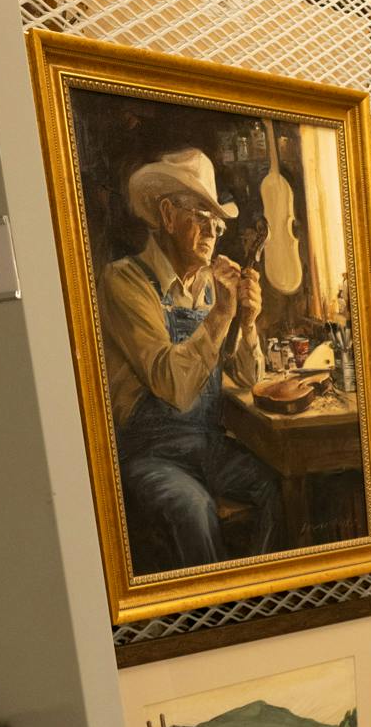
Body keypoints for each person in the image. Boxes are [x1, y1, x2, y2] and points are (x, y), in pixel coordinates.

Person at [101, 147, 282, 572]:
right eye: (201, 215)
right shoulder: (125, 281)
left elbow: (248, 378)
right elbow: (174, 387)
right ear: (167, 215)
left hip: (206, 445)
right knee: (193, 510)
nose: (213, 230)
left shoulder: (209, 285)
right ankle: (215, 608)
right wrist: (220, 315)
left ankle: (263, 595)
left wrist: (248, 323)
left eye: (217, 222)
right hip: (148, 454)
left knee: (274, 489)